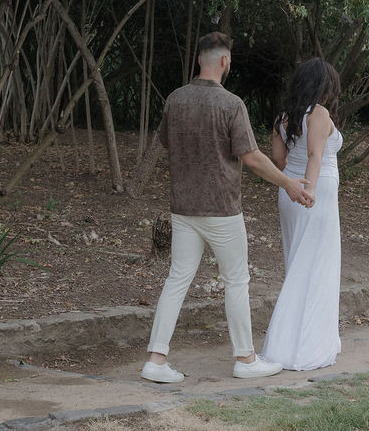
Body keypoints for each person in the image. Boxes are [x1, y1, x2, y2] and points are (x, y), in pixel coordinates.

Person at [141, 31, 312, 384]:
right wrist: (288, 183)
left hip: (183, 207)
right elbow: (252, 157)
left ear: (199, 60)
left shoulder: (175, 99)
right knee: (236, 280)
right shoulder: (231, 104)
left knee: (177, 279)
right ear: (224, 61)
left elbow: (168, 143)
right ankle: (245, 359)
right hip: (221, 208)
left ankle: (156, 359)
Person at [260, 58, 343, 371]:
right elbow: (315, 155)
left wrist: (295, 186)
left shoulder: (283, 117)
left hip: (288, 191)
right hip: (314, 193)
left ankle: (297, 339)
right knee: (316, 266)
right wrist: (309, 189)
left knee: (297, 262)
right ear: (323, 85)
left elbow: (278, 159)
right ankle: (306, 345)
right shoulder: (319, 113)